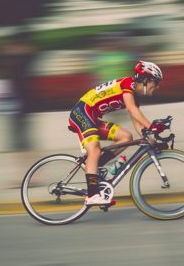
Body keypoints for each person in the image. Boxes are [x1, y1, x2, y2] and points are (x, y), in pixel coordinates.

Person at [68, 60, 165, 206]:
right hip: (82, 112)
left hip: (92, 117)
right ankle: (92, 195)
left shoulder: (135, 96)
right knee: (94, 150)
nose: (157, 87)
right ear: (146, 80)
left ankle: (95, 165)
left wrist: (149, 138)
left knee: (126, 137)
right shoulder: (128, 84)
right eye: (156, 83)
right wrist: (152, 126)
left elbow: (136, 120)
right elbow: (132, 110)